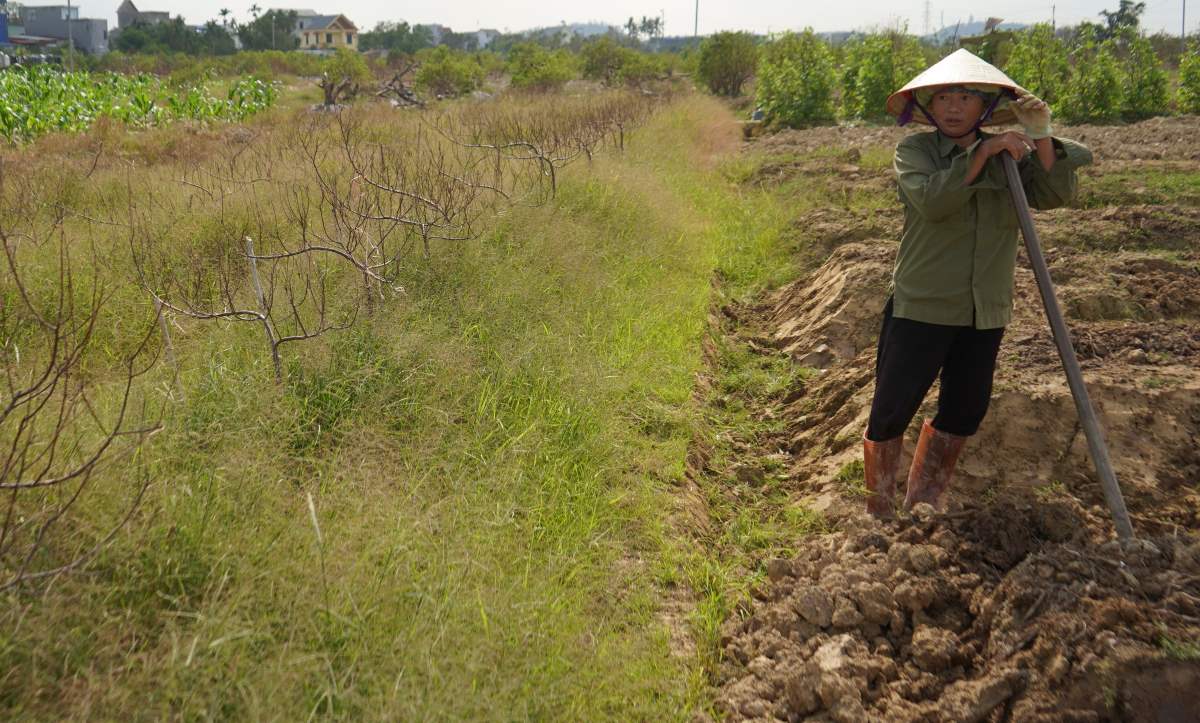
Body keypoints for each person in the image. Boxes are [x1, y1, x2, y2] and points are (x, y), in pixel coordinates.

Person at [863, 49, 1092, 518]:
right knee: (891, 408)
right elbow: (933, 202)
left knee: (966, 408)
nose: (953, 107)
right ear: (927, 105)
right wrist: (981, 151)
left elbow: (1051, 193)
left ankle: (925, 502)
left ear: (984, 106)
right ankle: (879, 511)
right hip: (923, 304)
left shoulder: (1011, 156)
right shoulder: (916, 153)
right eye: (943, 97)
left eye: (965, 97)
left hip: (983, 308)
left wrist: (1040, 134)